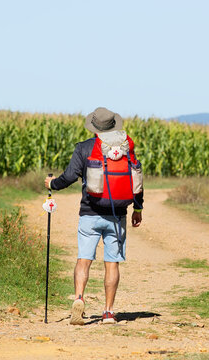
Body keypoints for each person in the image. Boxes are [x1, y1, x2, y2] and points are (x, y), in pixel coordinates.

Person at [44, 107, 144, 325]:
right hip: (117, 215)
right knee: (112, 263)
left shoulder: (85, 147)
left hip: (90, 212)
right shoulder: (127, 147)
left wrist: (52, 184)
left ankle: (79, 298)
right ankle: (108, 312)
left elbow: (69, 176)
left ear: (94, 126)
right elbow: (136, 178)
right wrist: (138, 209)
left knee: (84, 259)